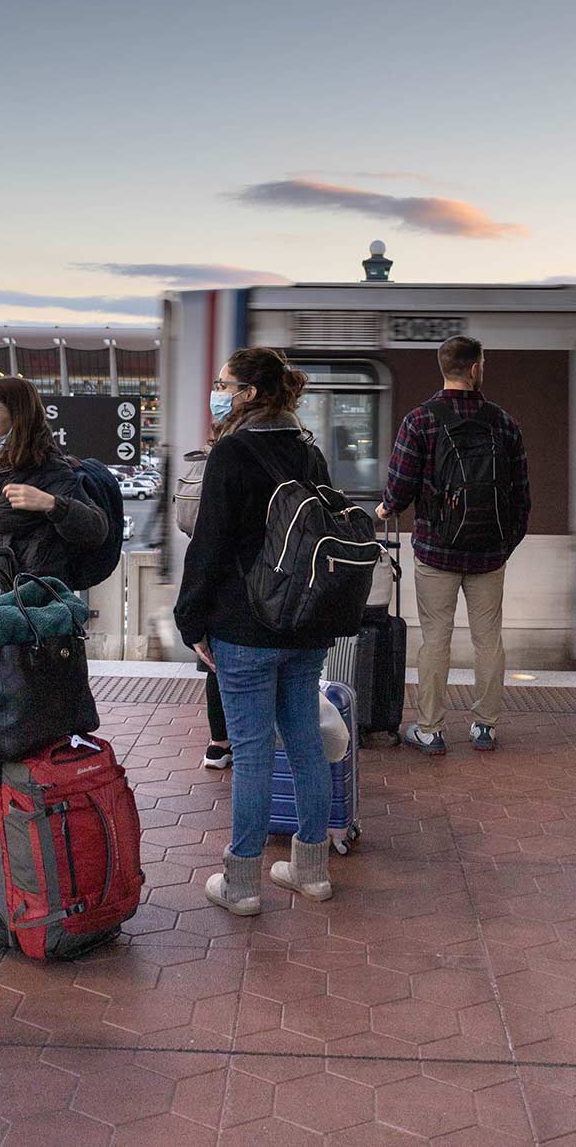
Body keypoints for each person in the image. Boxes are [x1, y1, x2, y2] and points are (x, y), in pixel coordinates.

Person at [174, 347, 337, 915]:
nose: (217, 391)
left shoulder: (233, 451)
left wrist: (190, 619)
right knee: (304, 742)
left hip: (244, 626)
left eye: (224, 383)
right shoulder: (309, 449)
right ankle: (311, 871)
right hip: (305, 622)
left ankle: (241, 884)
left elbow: (209, 545)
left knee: (250, 753)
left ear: (247, 393)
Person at [377, 336, 531, 755]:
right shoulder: (504, 422)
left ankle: (431, 729)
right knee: (488, 641)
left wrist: (387, 509)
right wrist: (502, 545)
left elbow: (400, 488)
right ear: (477, 369)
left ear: (444, 368)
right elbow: (521, 497)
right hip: (488, 556)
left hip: (435, 553)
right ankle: (484, 727)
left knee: (435, 641)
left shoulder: (420, 420)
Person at [0, 375, 108, 590]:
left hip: (41, 599)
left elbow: (96, 529)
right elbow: (2, 497)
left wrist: (50, 504)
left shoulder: (49, 468)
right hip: (10, 590)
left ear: (17, 418)